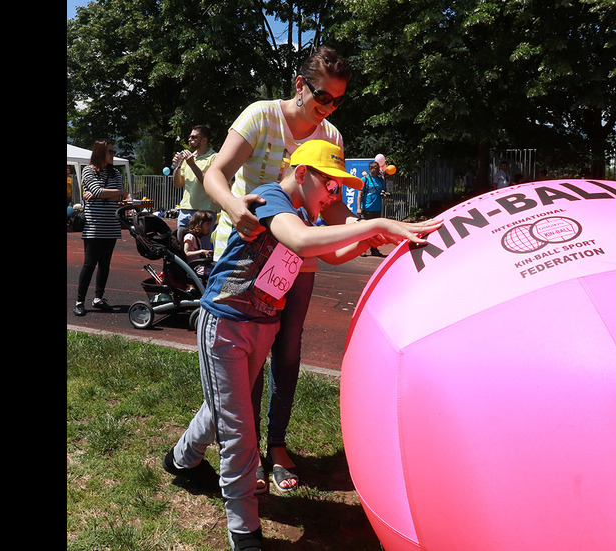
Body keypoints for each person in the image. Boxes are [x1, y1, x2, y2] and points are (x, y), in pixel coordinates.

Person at [163, 139, 442, 551]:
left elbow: (334, 252)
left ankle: (181, 460)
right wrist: (376, 226)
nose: (335, 195)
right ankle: (245, 533)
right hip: (225, 324)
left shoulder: (299, 214)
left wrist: (376, 242)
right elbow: (300, 243)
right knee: (239, 431)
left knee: (224, 405)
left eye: (338, 188)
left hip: (262, 326)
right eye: (329, 185)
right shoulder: (273, 199)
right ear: (301, 175)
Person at [203, 46, 382, 500]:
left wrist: (372, 233)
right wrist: (233, 206)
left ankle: (276, 445)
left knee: (287, 353)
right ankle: (242, 452)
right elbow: (216, 173)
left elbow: (334, 203)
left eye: (338, 100)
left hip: (296, 260)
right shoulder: (261, 116)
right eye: (322, 96)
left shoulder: (332, 135)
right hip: (246, 256)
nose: (328, 107)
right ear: (300, 85)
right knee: (250, 355)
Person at [74, 140, 127, 316]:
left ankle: (98, 298)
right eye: (110, 152)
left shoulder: (116, 173)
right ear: (100, 153)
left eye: (113, 151)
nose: (113, 154)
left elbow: (118, 196)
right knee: (89, 264)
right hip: (94, 225)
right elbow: (99, 192)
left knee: (105, 265)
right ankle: (79, 301)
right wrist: (114, 193)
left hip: (111, 225)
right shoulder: (88, 170)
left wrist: (107, 193)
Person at [172, 125, 219, 246]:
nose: (190, 139)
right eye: (189, 137)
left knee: (202, 250)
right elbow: (177, 184)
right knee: (181, 249)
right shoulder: (189, 159)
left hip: (204, 212)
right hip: (185, 210)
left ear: (204, 140)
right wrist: (177, 166)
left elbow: (209, 183)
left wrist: (192, 165)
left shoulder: (214, 158)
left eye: (194, 137)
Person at [358, 160, 388, 256]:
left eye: (378, 167)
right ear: (370, 169)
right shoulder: (364, 179)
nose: (378, 169)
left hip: (377, 208)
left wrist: (384, 195)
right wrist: (359, 208)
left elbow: (383, 192)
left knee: (375, 231)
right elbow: (359, 195)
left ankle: (374, 249)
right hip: (367, 208)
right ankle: (362, 249)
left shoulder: (380, 180)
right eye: (375, 167)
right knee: (365, 230)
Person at [183, 210, 215, 277]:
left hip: (199, 265)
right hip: (194, 267)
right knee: (215, 273)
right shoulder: (190, 237)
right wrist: (201, 251)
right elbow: (186, 253)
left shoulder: (197, 238)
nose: (209, 227)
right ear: (199, 224)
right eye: (207, 224)